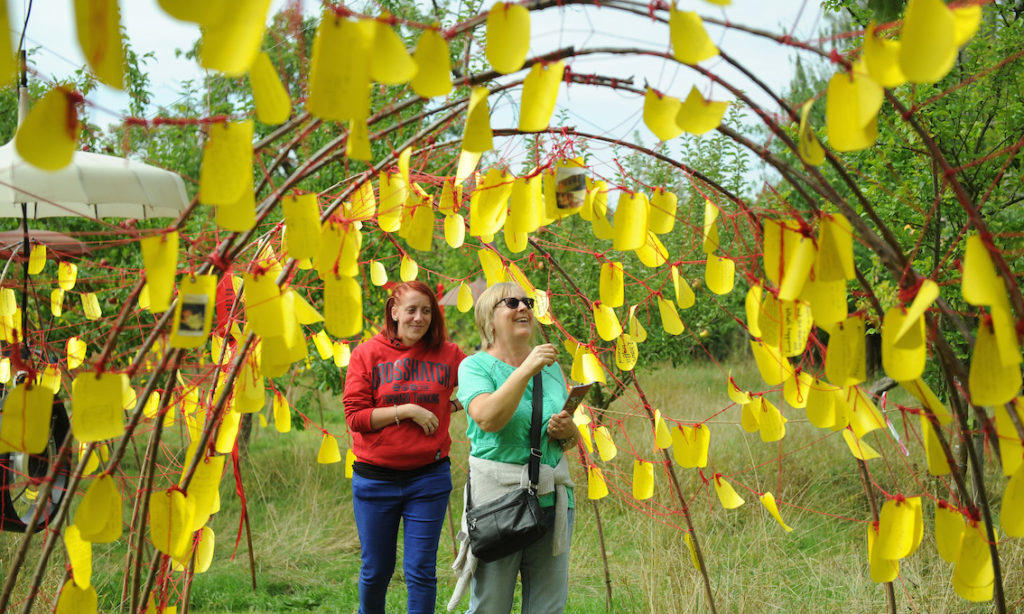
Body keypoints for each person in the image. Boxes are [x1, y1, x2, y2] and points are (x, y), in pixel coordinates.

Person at [449, 282, 578, 613]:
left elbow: (567, 442)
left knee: (547, 607)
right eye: (511, 302)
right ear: (489, 320)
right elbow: (488, 419)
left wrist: (567, 430)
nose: (523, 307)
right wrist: (526, 369)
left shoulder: (551, 367)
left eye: (528, 302)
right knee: (491, 604)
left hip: (552, 499)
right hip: (499, 503)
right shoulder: (474, 366)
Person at [343, 280, 466, 614]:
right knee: (376, 570)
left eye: (426, 311)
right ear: (394, 311)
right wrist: (407, 411)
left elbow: (480, 384)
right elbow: (355, 416)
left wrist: (450, 407)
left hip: (428, 479)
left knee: (421, 571)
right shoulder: (367, 354)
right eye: (411, 310)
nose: (419, 318)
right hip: (375, 481)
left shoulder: (449, 354)